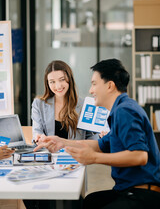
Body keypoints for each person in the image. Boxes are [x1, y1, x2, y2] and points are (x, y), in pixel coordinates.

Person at [35, 58, 160, 209]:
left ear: (109, 86)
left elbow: (140, 156)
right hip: (125, 189)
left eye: (94, 84)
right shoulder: (120, 109)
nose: (90, 90)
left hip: (143, 193)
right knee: (90, 201)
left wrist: (94, 158)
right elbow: (99, 145)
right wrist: (63, 142)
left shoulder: (125, 111)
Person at [24, 60, 98, 209]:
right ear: (47, 83)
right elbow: (37, 131)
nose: (57, 86)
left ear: (69, 79)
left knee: (71, 202)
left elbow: (93, 136)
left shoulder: (84, 104)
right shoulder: (39, 104)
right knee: (34, 197)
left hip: (73, 162)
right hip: (47, 162)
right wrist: (39, 137)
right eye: (52, 82)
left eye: (61, 80)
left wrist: (100, 136)